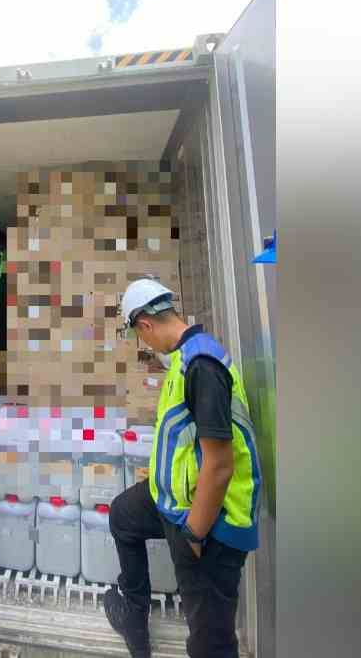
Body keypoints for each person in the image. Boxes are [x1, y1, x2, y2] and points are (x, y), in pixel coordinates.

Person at [104, 278, 262, 658]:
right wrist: (160, 475)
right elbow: (186, 438)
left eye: (140, 336)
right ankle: (134, 618)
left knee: (210, 643)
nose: (145, 345)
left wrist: (194, 532)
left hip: (210, 522)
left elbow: (220, 464)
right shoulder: (183, 359)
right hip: (174, 501)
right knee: (123, 516)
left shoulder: (201, 366)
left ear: (145, 325)